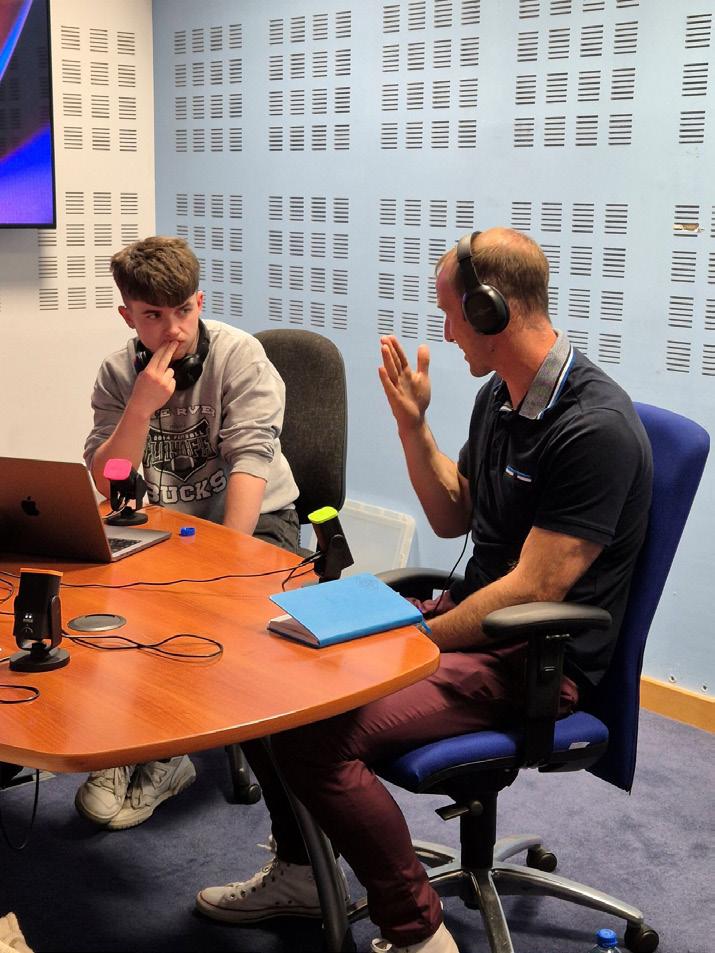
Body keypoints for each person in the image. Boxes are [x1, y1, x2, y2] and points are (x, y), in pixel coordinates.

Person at [194, 227, 652, 953]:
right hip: (471, 623)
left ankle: (418, 933)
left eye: (449, 312)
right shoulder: (501, 397)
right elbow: (452, 515)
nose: (444, 330)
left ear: (490, 309)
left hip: (535, 657)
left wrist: (416, 637)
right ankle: (302, 875)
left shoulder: (594, 428)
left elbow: (533, 589)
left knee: (313, 738)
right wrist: (413, 427)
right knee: (271, 674)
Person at [75, 236, 300, 831]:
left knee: (211, 604)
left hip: (255, 521)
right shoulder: (117, 373)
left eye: (183, 310)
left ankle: (165, 753)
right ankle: (128, 737)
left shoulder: (239, 356)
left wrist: (227, 563)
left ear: (199, 302)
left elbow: (250, 461)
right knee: (99, 599)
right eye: (153, 315)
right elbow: (109, 479)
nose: (173, 329)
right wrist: (140, 408)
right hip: (163, 523)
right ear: (128, 316)